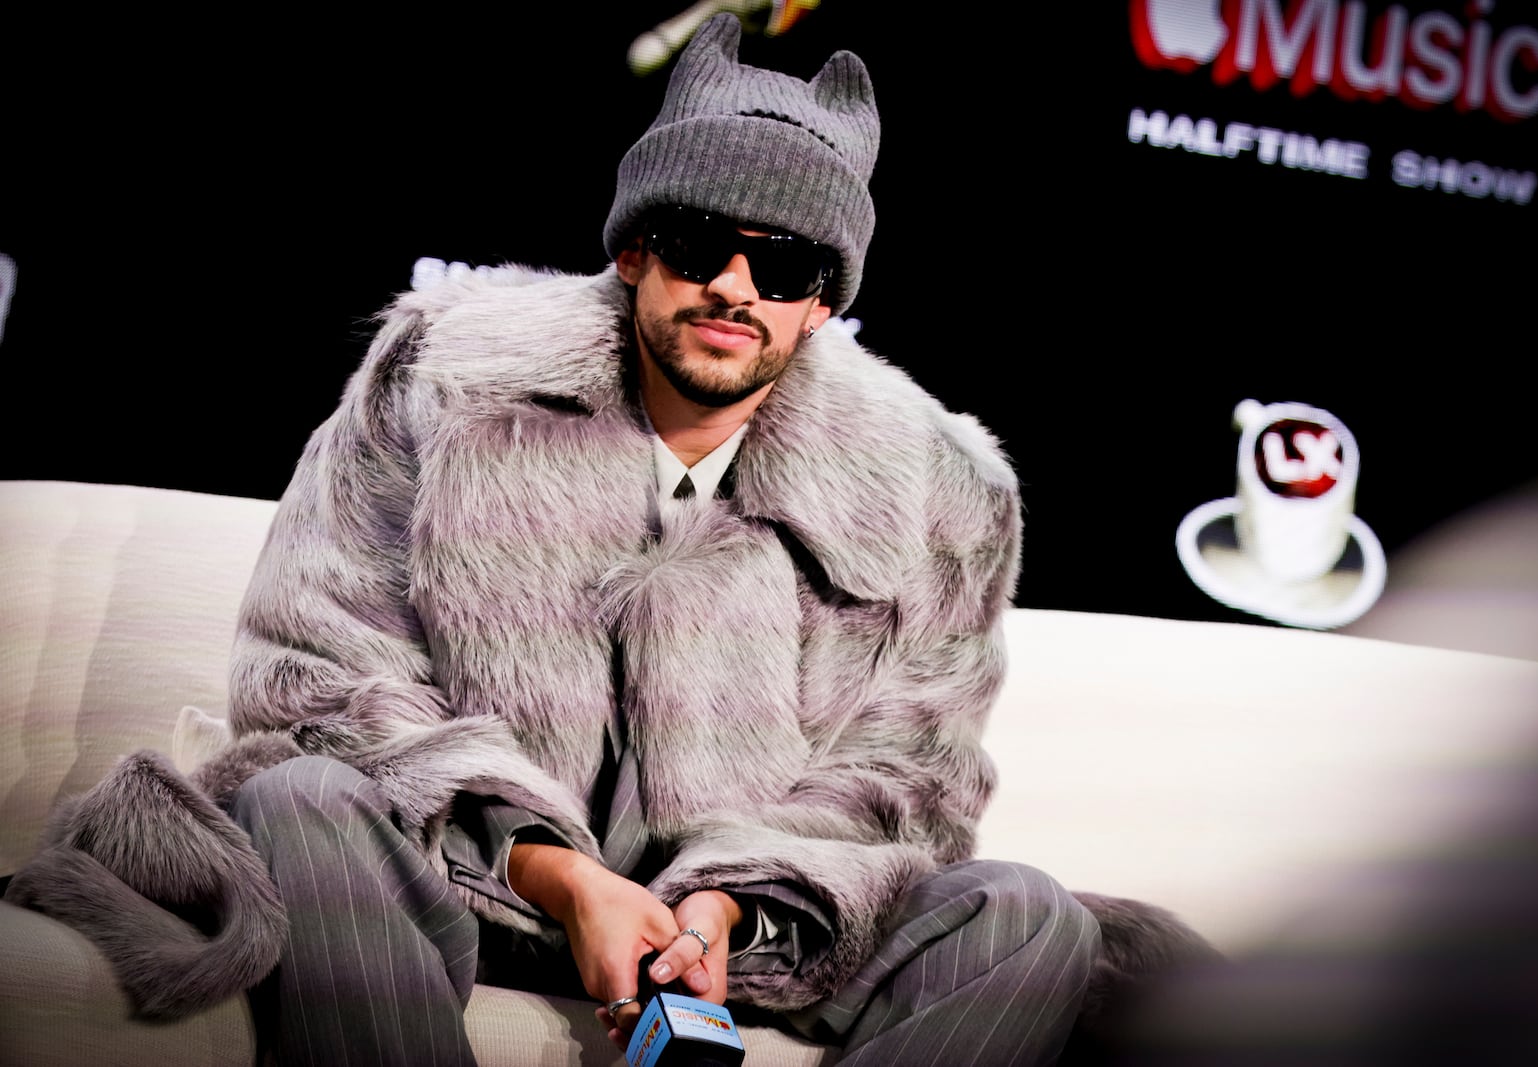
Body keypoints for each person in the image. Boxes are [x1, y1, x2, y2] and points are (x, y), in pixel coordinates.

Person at [5, 14, 1211, 1065]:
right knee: (305, 794)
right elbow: (325, 671)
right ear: (631, 248)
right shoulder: (442, 376)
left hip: (756, 932)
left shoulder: (938, 493)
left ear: (823, 302)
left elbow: (908, 782)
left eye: (782, 262)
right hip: (470, 872)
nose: (734, 284)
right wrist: (557, 871)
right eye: (698, 244)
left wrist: (729, 906)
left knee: (1028, 915)